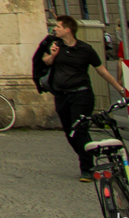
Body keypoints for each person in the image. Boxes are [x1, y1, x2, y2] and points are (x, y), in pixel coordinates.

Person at [32, 14, 111, 178]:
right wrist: (53, 55)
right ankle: (88, 155)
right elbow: (44, 61)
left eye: (58, 27)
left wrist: (119, 88)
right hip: (62, 96)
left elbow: (101, 70)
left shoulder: (85, 49)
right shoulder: (56, 45)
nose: (55, 29)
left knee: (80, 130)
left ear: (68, 30)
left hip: (81, 94)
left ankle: (87, 168)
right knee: (70, 132)